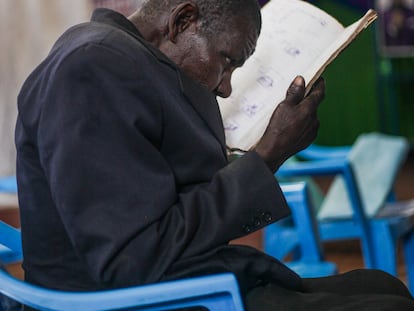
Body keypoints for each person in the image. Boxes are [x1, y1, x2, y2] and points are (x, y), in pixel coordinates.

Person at [15, 0, 414, 310]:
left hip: (184, 280)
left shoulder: (131, 62)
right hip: (128, 300)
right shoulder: (93, 69)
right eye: (227, 61)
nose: (225, 88)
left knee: (384, 285)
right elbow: (131, 260)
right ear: (183, 21)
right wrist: (268, 155)